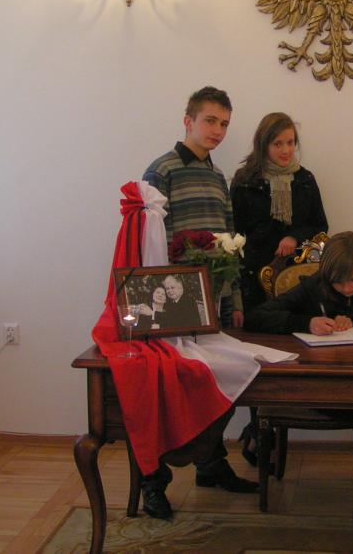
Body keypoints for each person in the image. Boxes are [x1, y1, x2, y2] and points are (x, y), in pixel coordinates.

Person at [139, 86, 256, 519]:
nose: (218, 130)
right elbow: (149, 244)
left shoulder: (218, 176)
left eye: (224, 123)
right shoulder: (161, 171)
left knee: (221, 381)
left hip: (216, 300)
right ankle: (153, 481)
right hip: (175, 301)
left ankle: (209, 463)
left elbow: (230, 238)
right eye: (210, 120)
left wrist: (235, 296)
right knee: (165, 390)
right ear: (188, 121)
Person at [245, 231, 353, 538]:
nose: (347, 288)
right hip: (317, 388)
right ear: (328, 275)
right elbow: (256, 317)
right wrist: (307, 322)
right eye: (339, 282)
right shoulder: (311, 287)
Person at [231, 112, 328, 313]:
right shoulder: (245, 180)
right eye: (278, 144)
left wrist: (294, 236)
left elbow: (320, 226)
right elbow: (235, 234)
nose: (286, 150)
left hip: (298, 278)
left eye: (290, 142)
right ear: (263, 145)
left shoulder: (305, 179)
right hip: (254, 276)